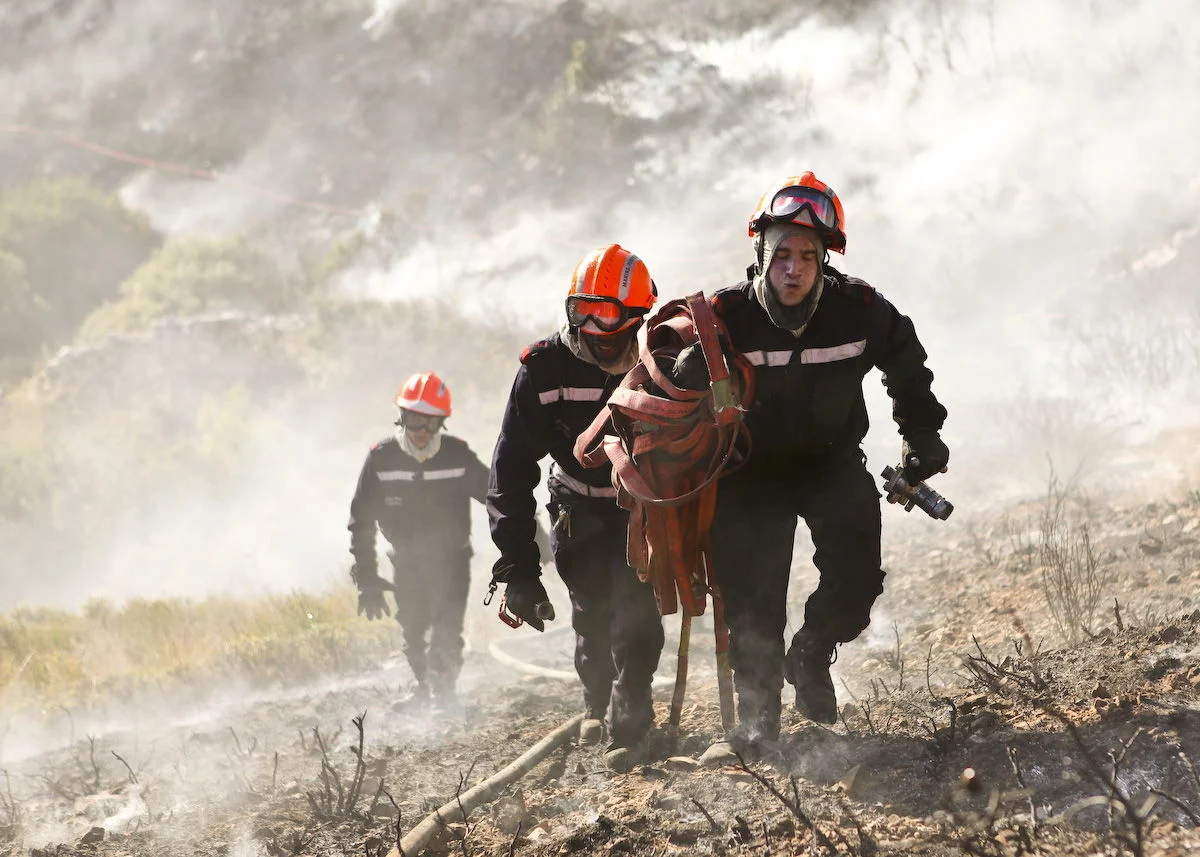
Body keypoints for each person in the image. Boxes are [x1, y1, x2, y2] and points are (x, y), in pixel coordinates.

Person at [707, 172, 949, 749]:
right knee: (753, 600)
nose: (793, 269)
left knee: (858, 575)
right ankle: (759, 720)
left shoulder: (860, 309)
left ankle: (812, 654)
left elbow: (907, 364)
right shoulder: (720, 318)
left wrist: (921, 436)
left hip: (830, 462)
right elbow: (667, 387)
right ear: (760, 254)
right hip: (751, 472)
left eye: (808, 257)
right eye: (782, 254)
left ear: (826, 260)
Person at [487, 244, 665, 772]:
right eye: (580, 309)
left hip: (643, 513)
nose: (590, 326)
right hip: (575, 510)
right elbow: (511, 467)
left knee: (638, 615)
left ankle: (630, 722)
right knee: (591, 613)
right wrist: (517, 565)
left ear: (636, 316)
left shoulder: (666, 360)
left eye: (605, 312)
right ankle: (596, 702)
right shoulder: (544, 369)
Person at [347, 371, 489, 712]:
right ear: (401, 417)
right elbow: (361, 522)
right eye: (415, 421)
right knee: (413, 631)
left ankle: (445, 694)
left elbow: (497, 495)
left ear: (442, 423)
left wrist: (533, 530)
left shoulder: (458, 456)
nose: (422, 432)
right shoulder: (380, 459)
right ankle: (425, 688)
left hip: (453, 561)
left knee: (446, 628)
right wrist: (366, 578)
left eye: (431, 423)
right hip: (407, 562)